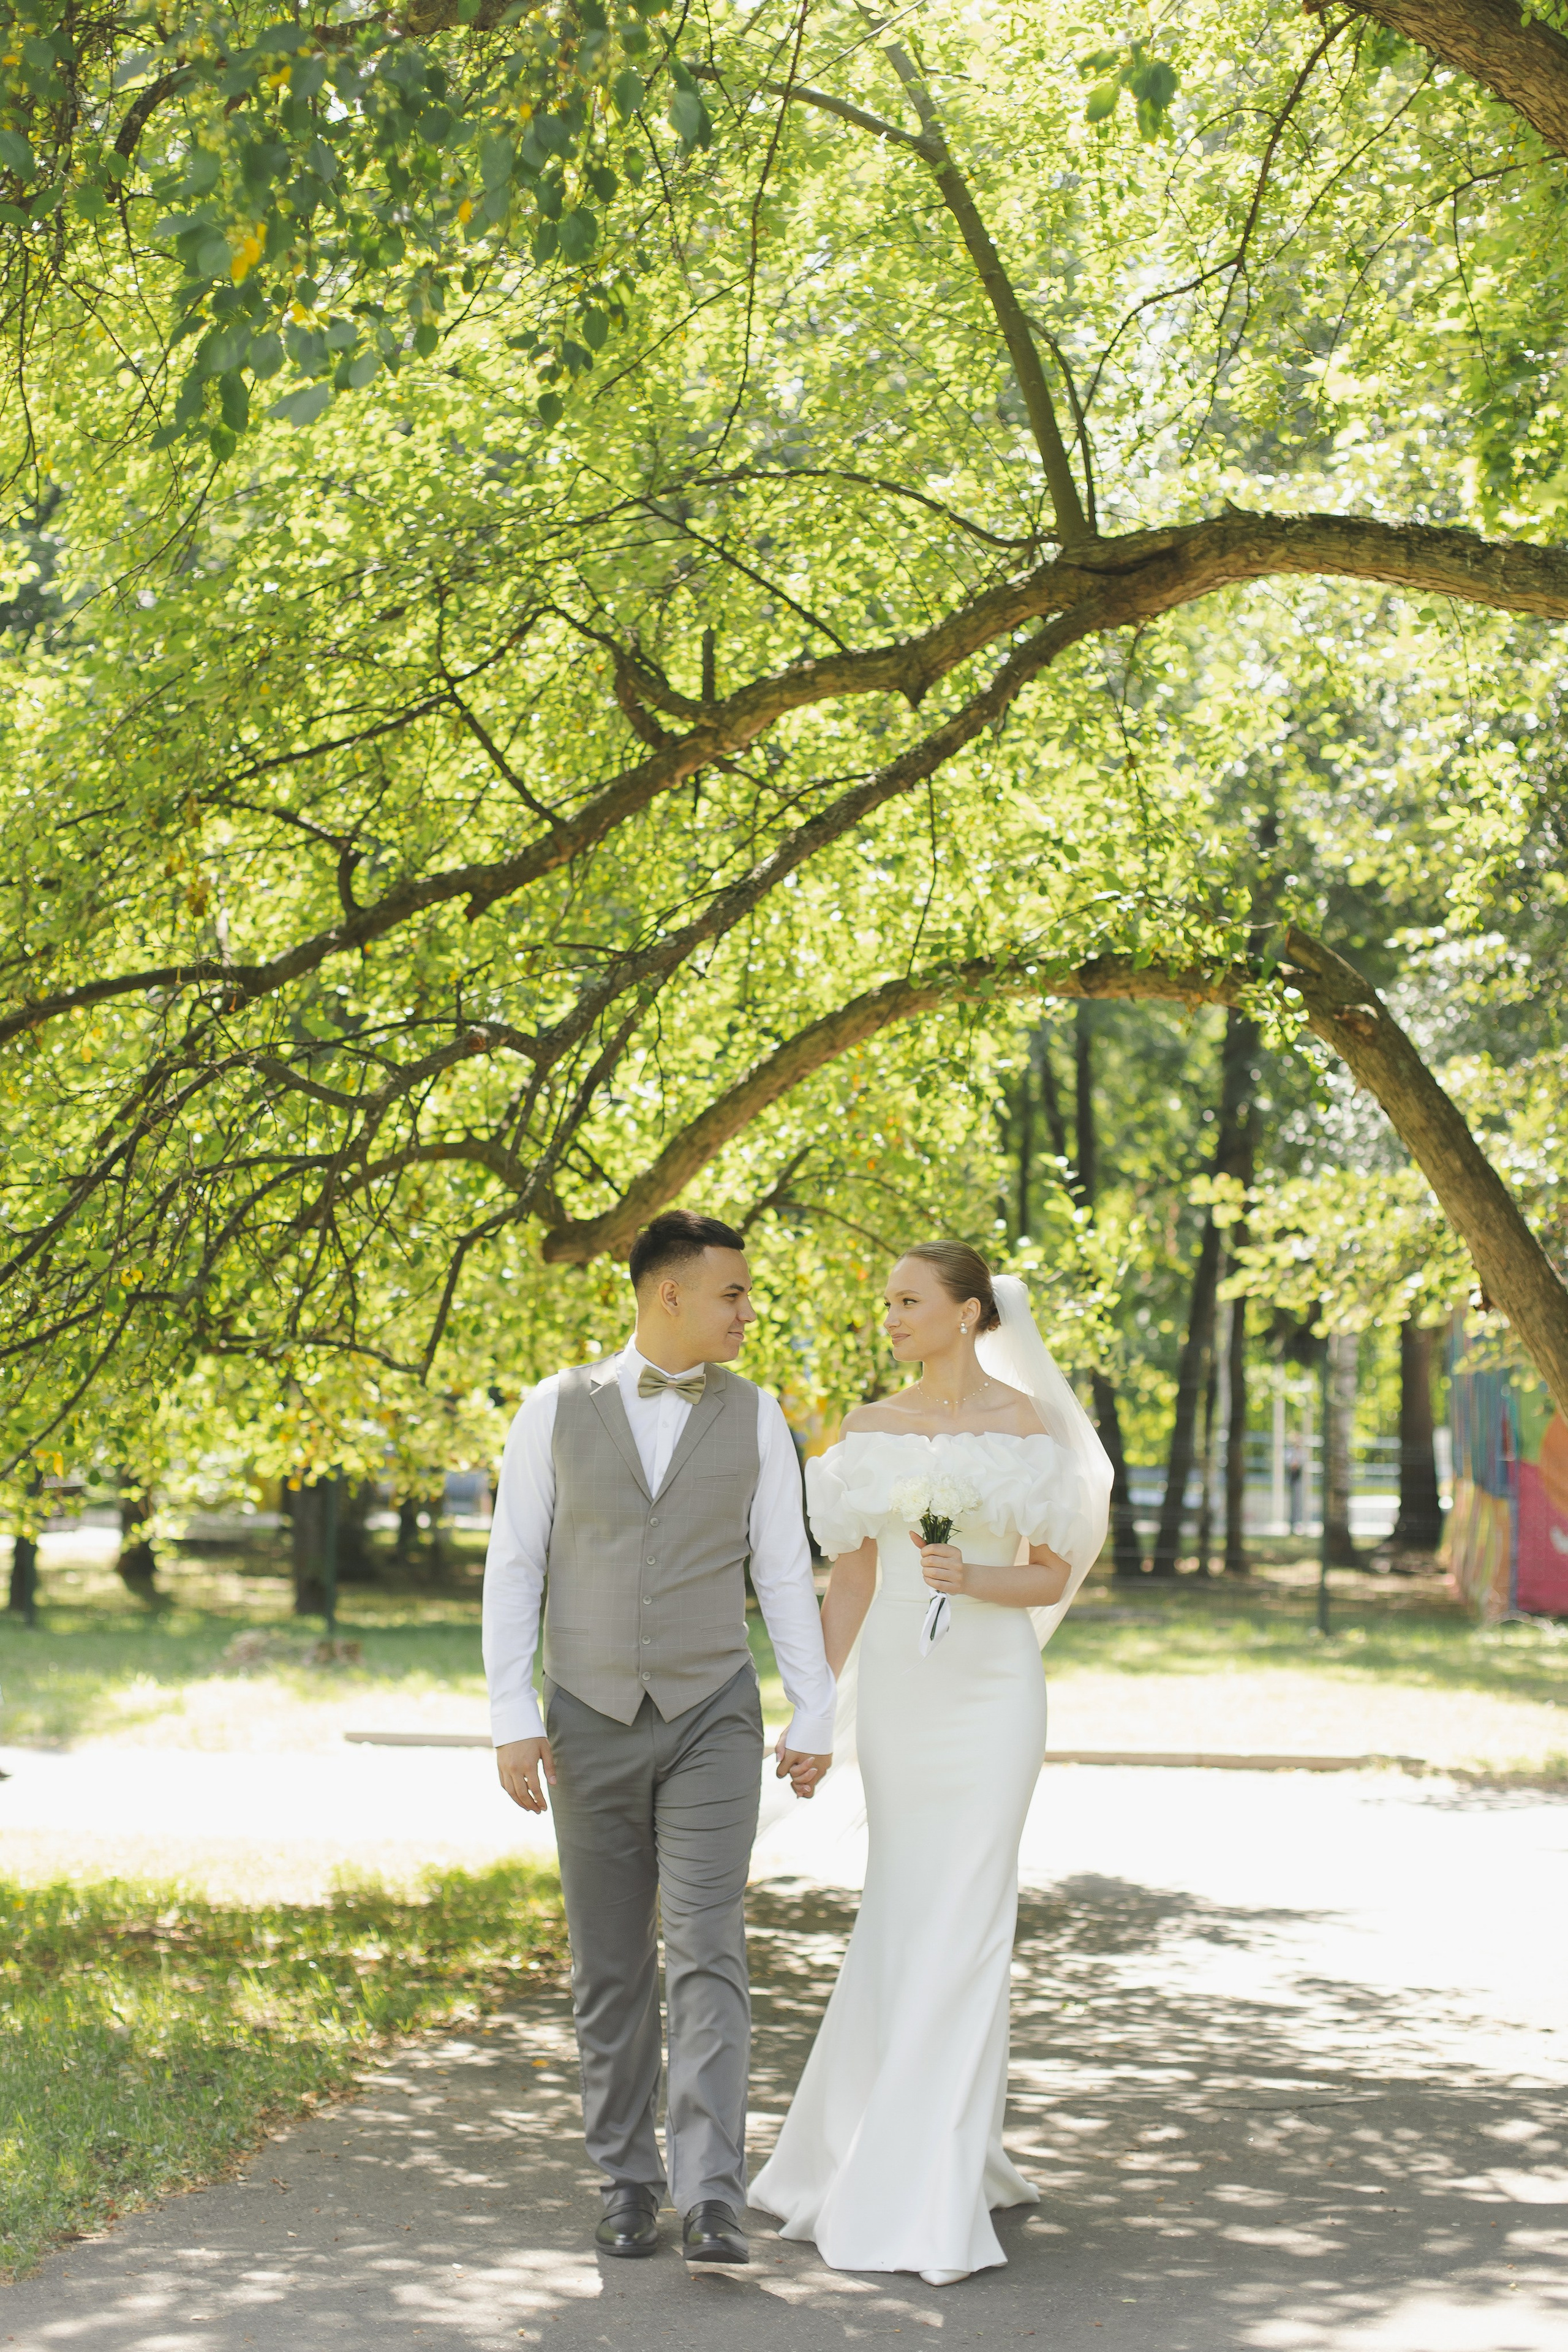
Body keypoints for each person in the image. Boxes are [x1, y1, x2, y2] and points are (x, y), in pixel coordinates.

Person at [750, 1242, 1110, 2286]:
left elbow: (1046, 1580)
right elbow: (851, 1587)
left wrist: (975, 1574)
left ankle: (935, 2171)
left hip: (997, 1693)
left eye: (910, 1301)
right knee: (908, 1909)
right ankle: (872, 2144)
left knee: (973, 1912)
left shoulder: (1027, 1428)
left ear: (967, 1312)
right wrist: (812, 1711)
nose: (892, 1316)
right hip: (906, 1699)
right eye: (890, 1301)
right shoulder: (869, 1430)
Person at [483, 1208, 837, 2269]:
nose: (748, 1310)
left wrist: (811, 1708)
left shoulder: (759, 1414)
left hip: (710, 1717)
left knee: (708, 1948)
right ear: (666, 1294)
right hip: (584, 1716)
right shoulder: (553, 1408)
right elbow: (515, 1568)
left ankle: (715, 2193)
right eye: (733, 1292)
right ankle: (628, 2183)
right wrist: (511, 1717)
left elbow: (782, 1572)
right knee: (608, 1964)